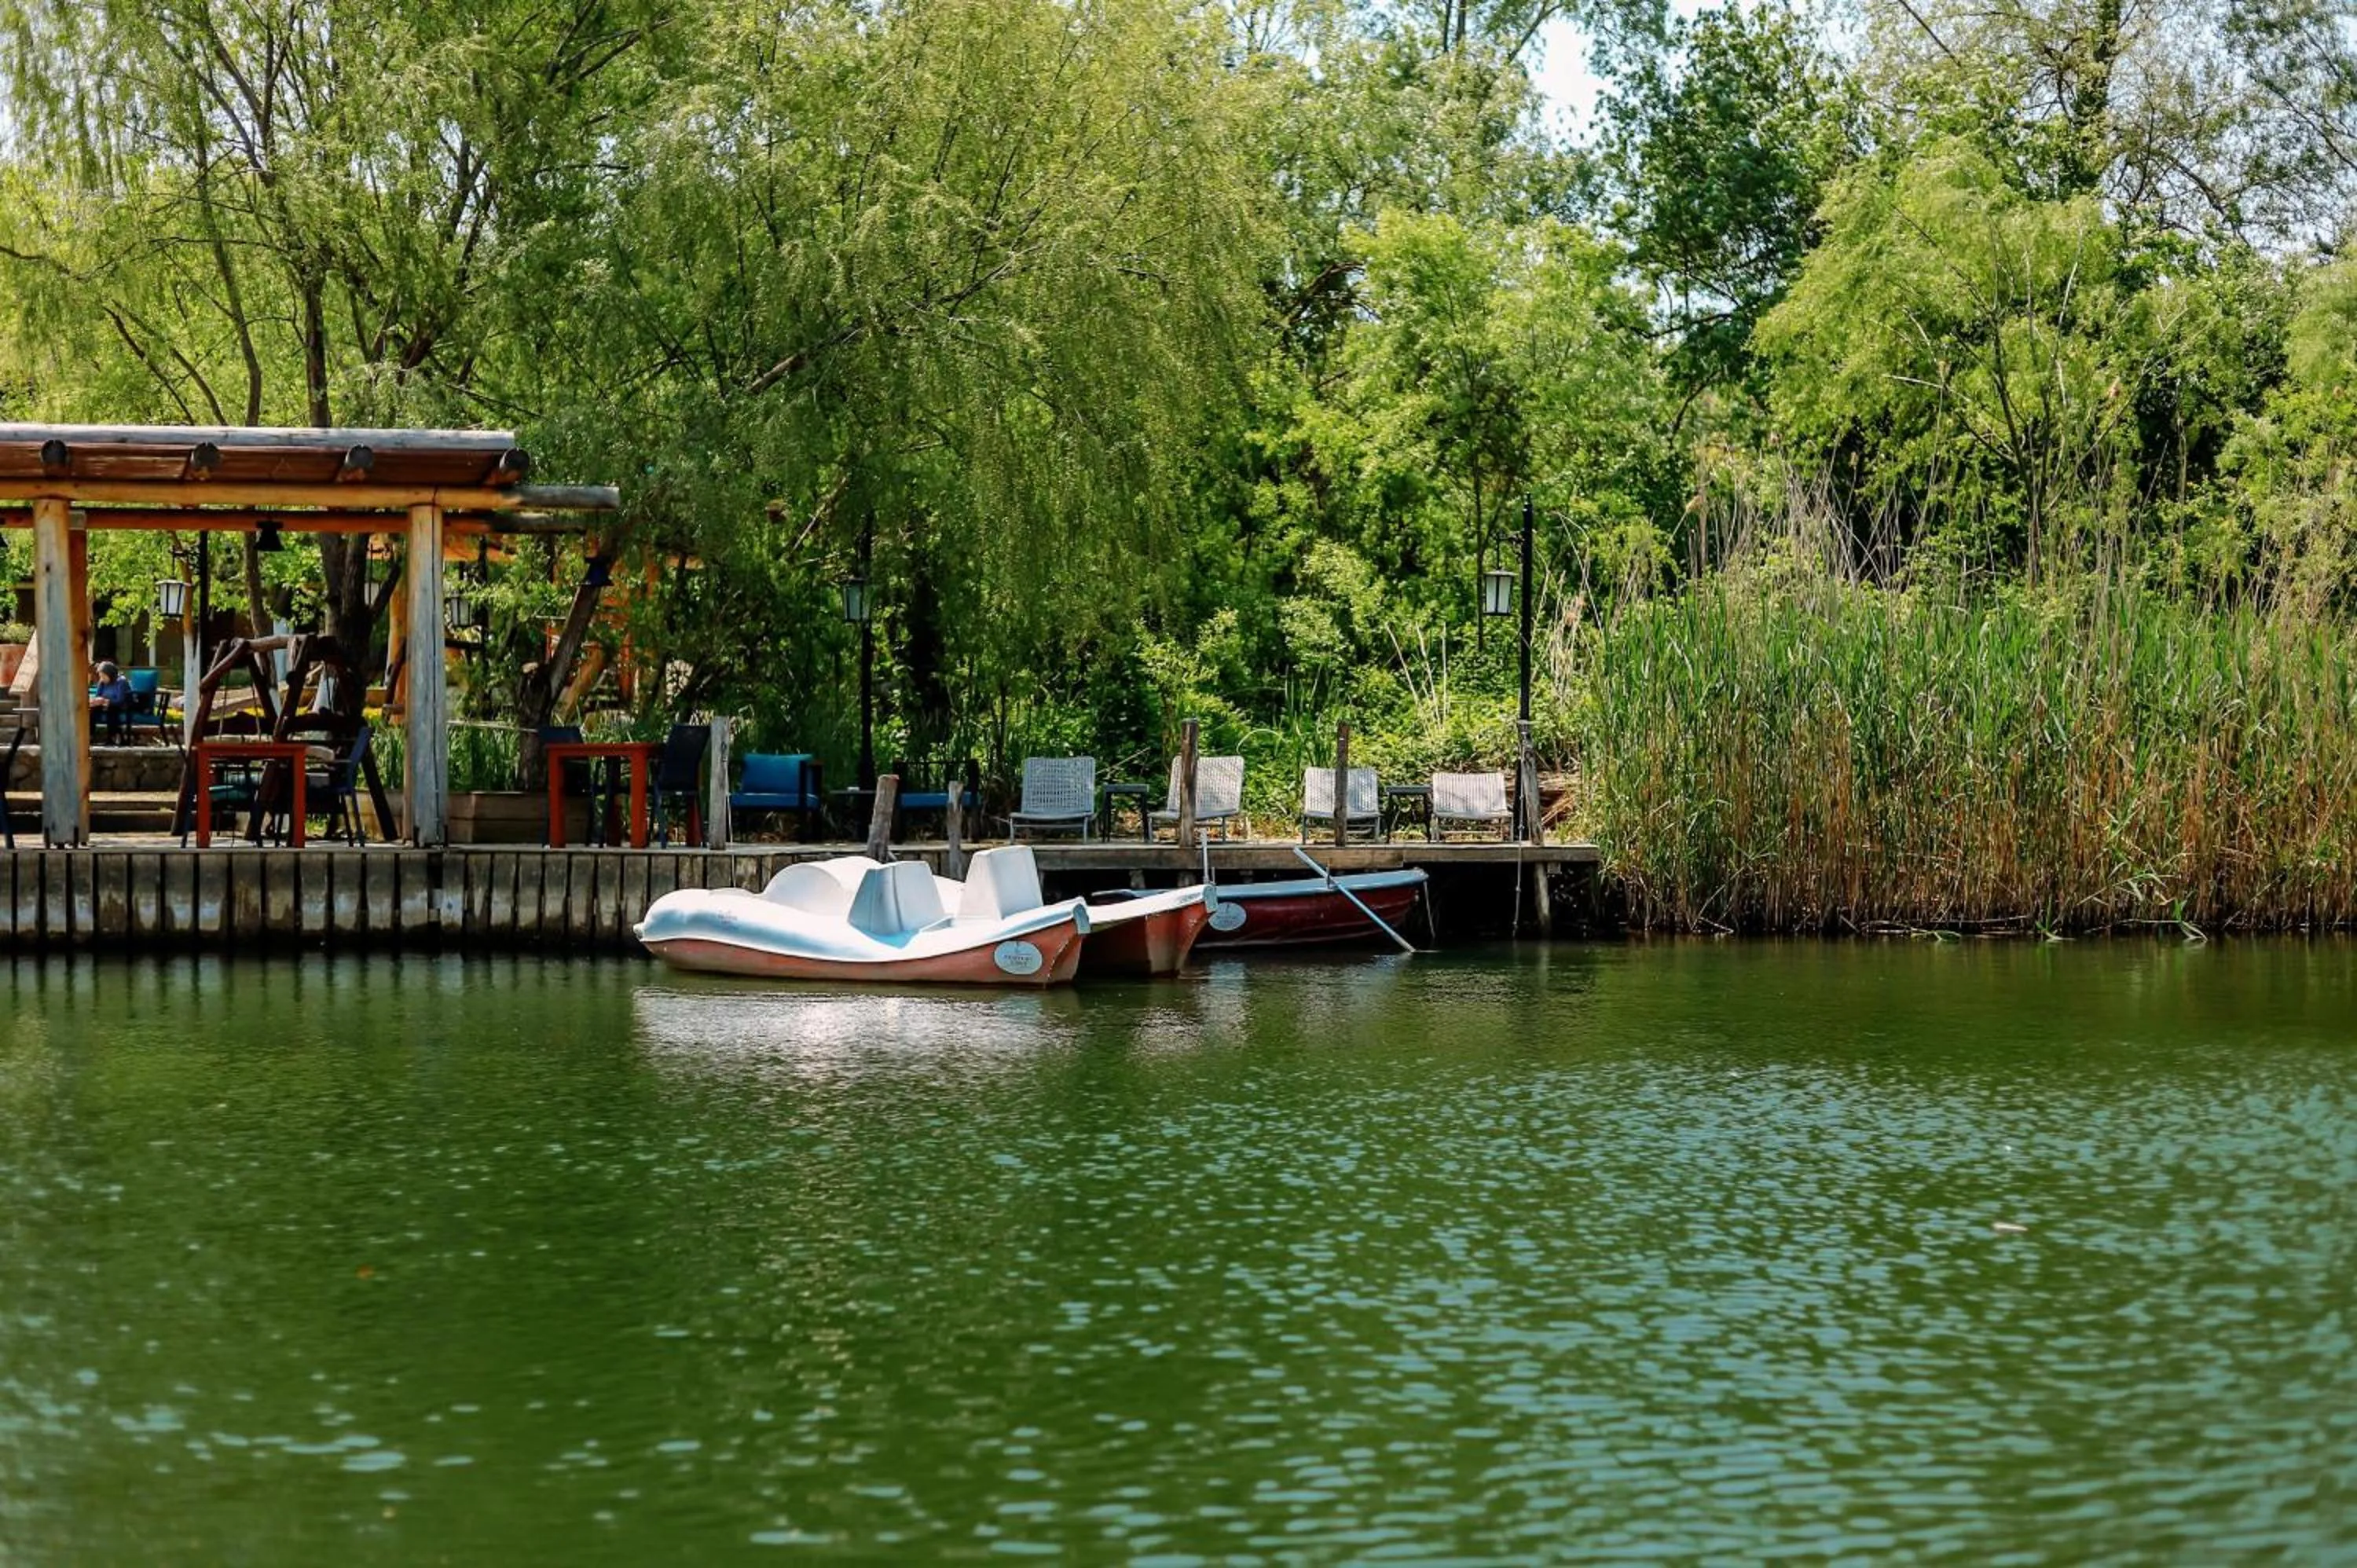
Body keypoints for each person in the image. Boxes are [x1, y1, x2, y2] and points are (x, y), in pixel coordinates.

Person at [90, 660, 133, 746]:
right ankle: (90, 736)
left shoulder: (121, 681)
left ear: (110, 674)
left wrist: (106, 701)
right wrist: (96, 701)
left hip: (120, 705)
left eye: (104, 676)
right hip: (104, 704)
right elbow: (98, 695)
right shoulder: (102, 682)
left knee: (111, 709)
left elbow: (120, 700)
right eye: (101, 676)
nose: (102, 678)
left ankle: (112, 738)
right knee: (91, 710)